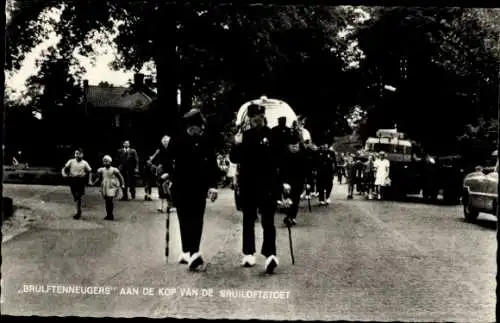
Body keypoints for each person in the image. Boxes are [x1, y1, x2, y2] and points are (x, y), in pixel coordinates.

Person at [165, 108, 219, 270]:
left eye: (201, 127)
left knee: (197, 218)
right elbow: (167, 158)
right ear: (191, 126)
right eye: (198, 126)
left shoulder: (205, 140)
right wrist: (167, 176)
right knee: (184, 219)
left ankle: (194, 252)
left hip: (199, 187)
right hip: (180, 186)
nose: (201, 129)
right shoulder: (177, 140)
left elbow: (212, 164)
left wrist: (213, 186)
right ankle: (187, 250)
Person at [230, 103, 282, 274]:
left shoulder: (273, 135)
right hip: (248, 184)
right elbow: (234, 159)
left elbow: (281, 160)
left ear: (263, 118)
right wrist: (236, 144)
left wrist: (284, 182)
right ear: (250, 120)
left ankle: (270, 255)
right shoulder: (243, 136)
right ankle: (248, 253)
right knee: (248, 219)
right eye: (254, 119)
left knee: (268, 221)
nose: (257, 122)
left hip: (268, 184)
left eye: (259, 119)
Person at [281, 130, 308, 226]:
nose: (295, 147)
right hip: (287, 179)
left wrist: (306, 180)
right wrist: (283, 180)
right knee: (288, 198)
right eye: (292, 145)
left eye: (296, 145)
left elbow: (305, 167)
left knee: (295, 199)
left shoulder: (302, 153)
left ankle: (292, 216)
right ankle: (289, 215)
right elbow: (282, 168)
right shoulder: (285, 153)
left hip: (298, 179)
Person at [90, 155, 125, 221]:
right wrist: (94, 182)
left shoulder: (114, 169)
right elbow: (98, 178)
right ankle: (108, 214)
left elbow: (120, 177)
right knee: (106, 201)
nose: (105, 163)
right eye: (104, 161)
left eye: (107, 161)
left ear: (110, 162)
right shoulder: (101, 170)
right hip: (105, 185)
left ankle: (111, 214)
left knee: (110, 199)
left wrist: (122, 184)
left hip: (112, 185)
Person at [61, 149, 92, 219]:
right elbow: (64, 168)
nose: (77, 155)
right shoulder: (71, 161)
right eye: (76, 153)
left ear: (82, 155)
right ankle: (78, 209)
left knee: (78, 195)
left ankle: (77, 212)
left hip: (81, 180)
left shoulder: (85, 163)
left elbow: (90, 171)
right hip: (73, 180)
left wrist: (90, 180)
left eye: (79, 154)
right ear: (74, 154)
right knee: (75, 195)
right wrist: (64, 174)